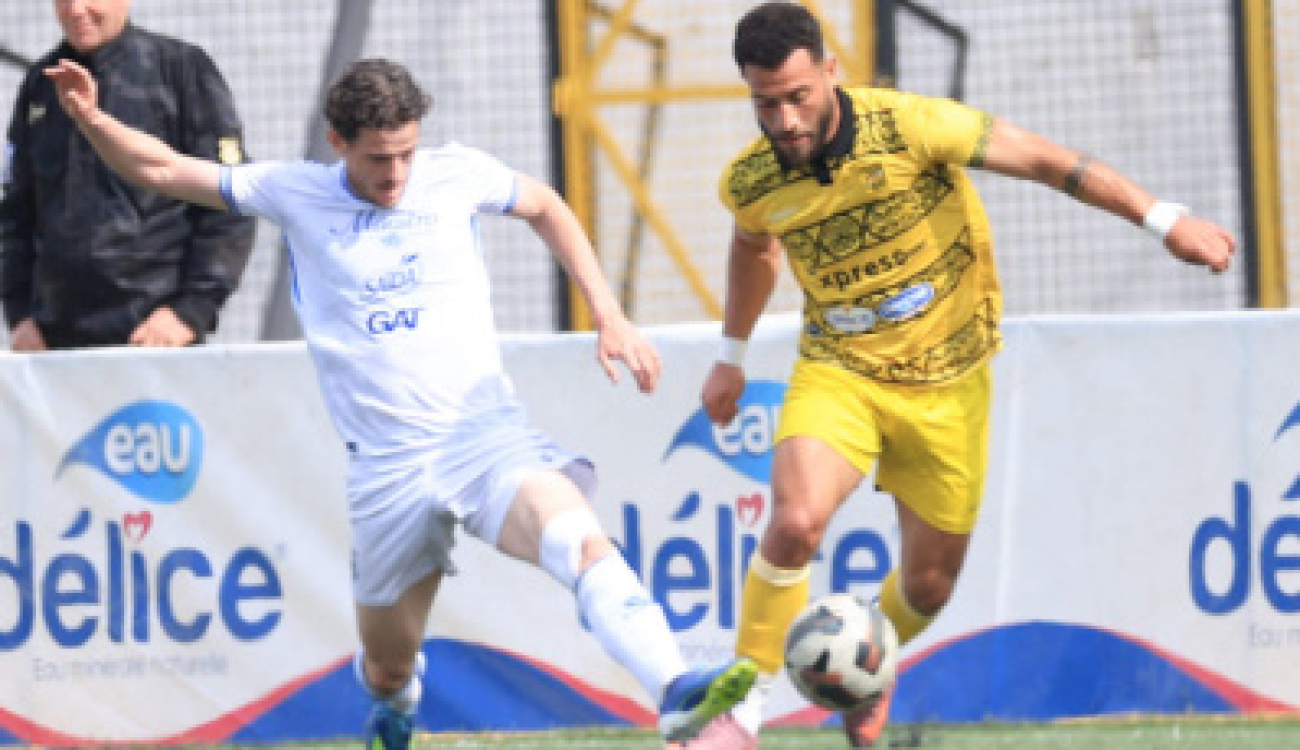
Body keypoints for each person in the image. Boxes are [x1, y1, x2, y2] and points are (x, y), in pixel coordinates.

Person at [43, 56, 757, 749]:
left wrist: (609, 313)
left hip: (485, 440)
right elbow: (162, 168)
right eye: (378, 159)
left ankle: (677, 690)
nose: (395, 175)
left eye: (406, 154)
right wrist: (91, 115)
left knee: (579, 540)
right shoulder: (295, 191)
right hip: (390, 470)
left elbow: (544, 203)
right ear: (338, 143)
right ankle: (395, 700)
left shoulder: (456, 174)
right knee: (387, 661)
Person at [690, 3, 1237, 748]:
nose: (783, 120)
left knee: (928, 588)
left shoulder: (913, 127)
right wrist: (730, 357)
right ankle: (740, 709)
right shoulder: (753, 180)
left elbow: (1049, 161)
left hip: (947, 387)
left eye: (797, 97)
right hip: (840, 374)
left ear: (829, 71)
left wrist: (1163, 218)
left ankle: (866, 666)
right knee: (793, 523)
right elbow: (755, 249)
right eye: (765, 103)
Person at [0, 0, 255, 350]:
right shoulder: (41, 83)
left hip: (154, 337)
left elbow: (230, 197)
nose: (76, 10)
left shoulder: (180, 69)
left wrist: (190, 312)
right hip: (52, 343)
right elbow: (14, 209)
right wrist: (19, 315)